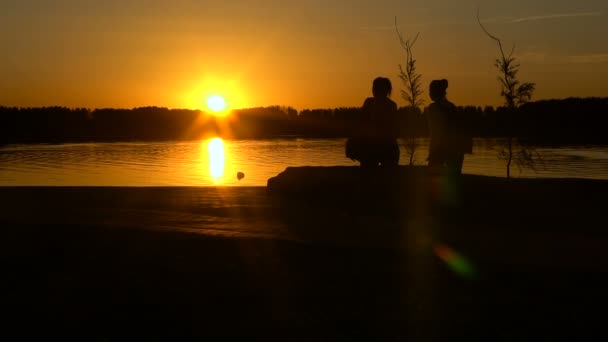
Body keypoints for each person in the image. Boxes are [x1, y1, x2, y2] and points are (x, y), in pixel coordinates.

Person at [346, 77, 400, 168]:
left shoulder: (372, 103)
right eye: (373, 87)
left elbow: (361, 124)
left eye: (375, 87)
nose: (373, 90)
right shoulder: (390, 105)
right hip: (381, 148)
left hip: (381, 148)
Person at [425, 79, 472, 174]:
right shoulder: (453, 107)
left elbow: (435, 133)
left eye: (430, 91)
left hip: (441, 149)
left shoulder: (433, 108)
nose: (429, 93)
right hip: (457, 149)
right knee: (453, 177)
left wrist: (432, 153)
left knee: (433, 178)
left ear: (434, 92)